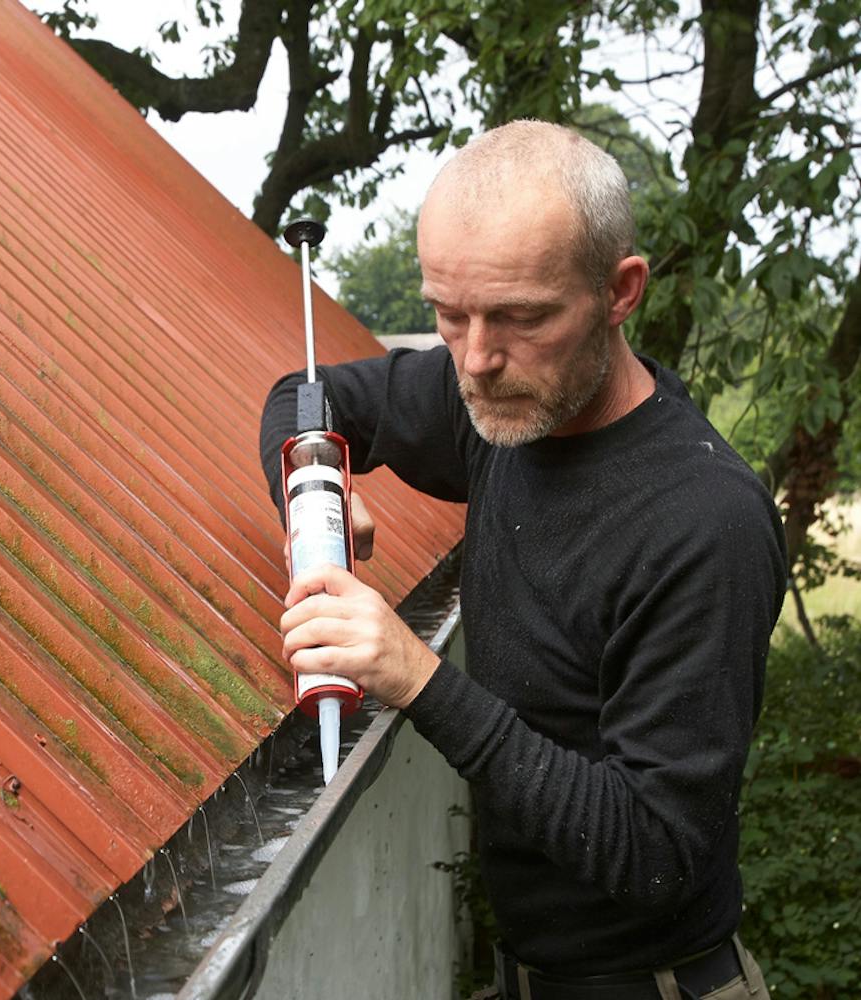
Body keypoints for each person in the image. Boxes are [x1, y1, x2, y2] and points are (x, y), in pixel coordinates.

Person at [259, 120, 784, 1000]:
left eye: (522, 316)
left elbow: (656, 853)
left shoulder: (703, 525)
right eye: (446, 313)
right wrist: (315, 490)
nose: (473, 360)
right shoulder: (498, 393)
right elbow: (307, 396)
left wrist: (417, 677)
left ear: (621, 292)